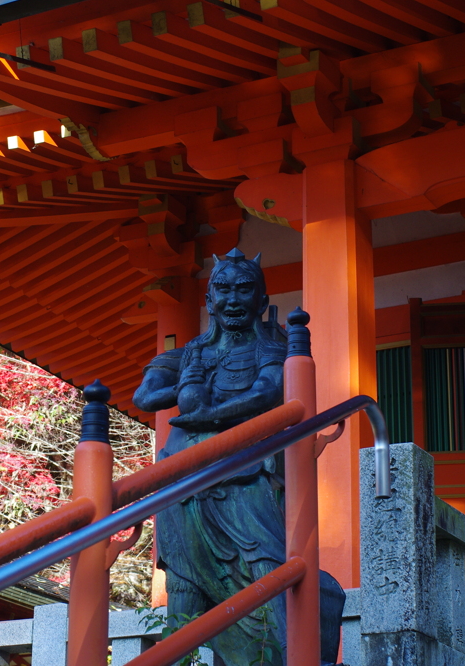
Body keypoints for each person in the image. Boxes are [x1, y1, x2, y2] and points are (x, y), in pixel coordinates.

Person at [133, 248, 344, 666]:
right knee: (184, 582)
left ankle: (288, 655)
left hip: (247, 475)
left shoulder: (272, 346)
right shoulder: (191, 353)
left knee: (267, 561)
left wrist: (207, 413)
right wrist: (185, 388)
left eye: (244, 290)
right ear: (209, 300)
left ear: (261, 302)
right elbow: (145, 394)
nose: (232, 300)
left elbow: (267, 391)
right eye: (222, 290)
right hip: (184, 479)